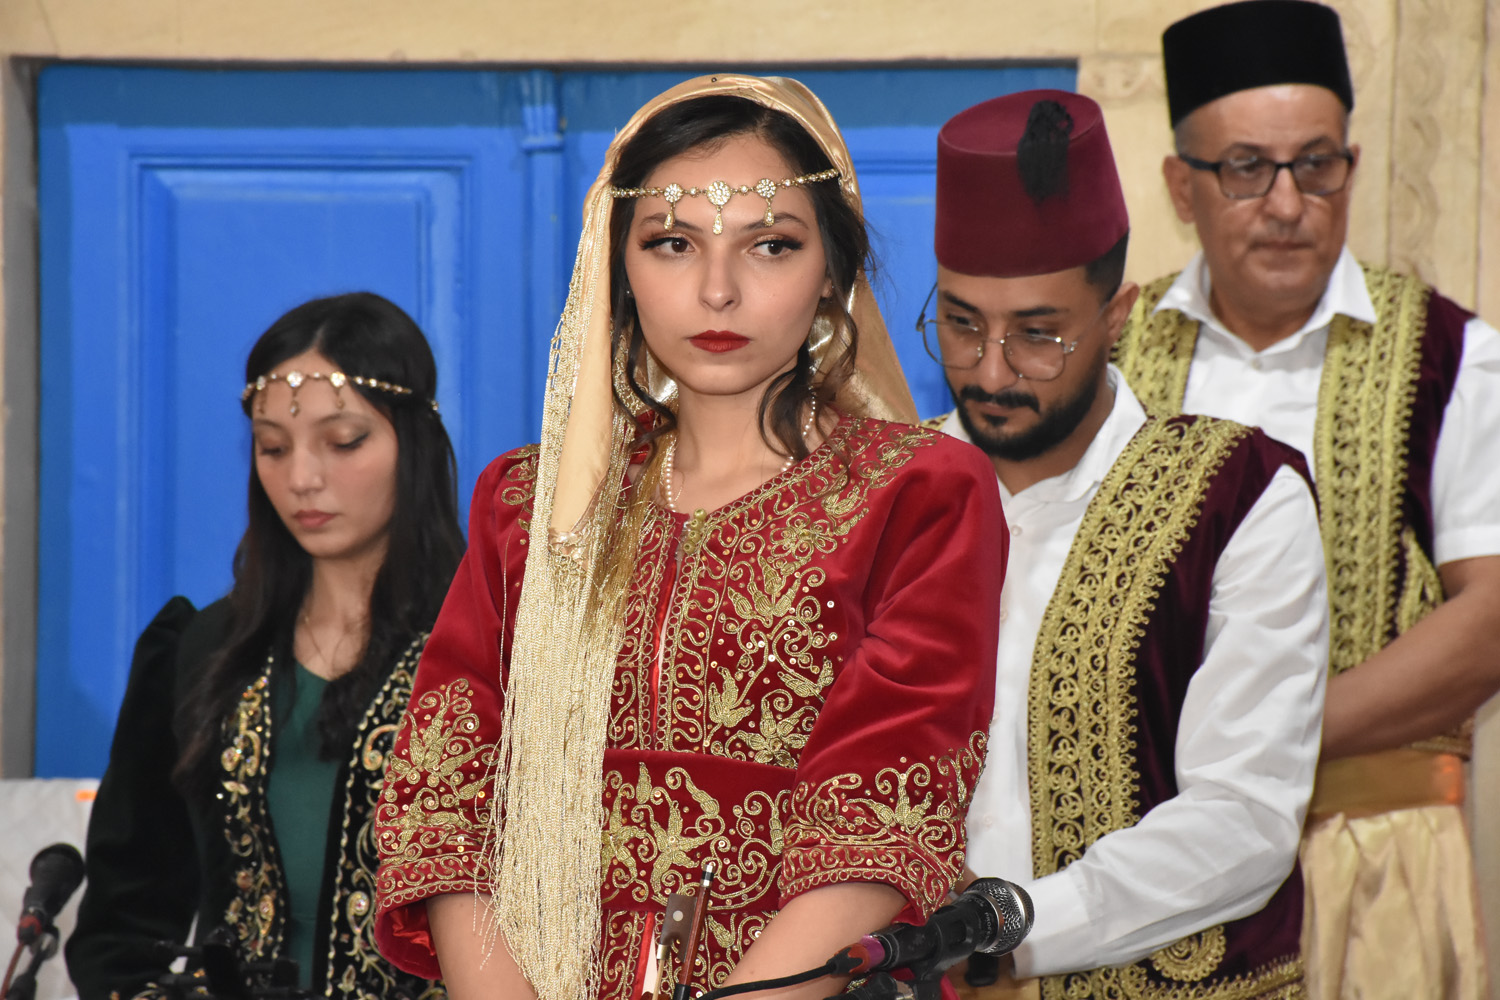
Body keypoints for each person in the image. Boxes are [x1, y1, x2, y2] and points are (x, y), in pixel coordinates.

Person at [372, 74, 1007, 1000]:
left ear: (833, 272)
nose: (718, 290)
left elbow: (880, 810)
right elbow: (445, 798)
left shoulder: (918, 494)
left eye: (771, 245)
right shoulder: (533, 509)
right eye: (672, 243)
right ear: (617, 269)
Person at [1114, 2, 1500, 996]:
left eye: (1316, 165)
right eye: (1247, 168)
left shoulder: (1454, 357)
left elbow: (1492, 619)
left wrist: (1258, 743)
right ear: (1182, 187)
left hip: (1374, 871)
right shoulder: (1111, 356)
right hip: (1148, 873)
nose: (1288, 203)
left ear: (1351, 168)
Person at [923, 90, 1329, 999]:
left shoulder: (1240, 498)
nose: (992, 369)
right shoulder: (882, 495)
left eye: (1038, 334)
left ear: (1117, 316)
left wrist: (1010, 930)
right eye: (961, 324)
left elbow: (1245, 817)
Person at [66, 292, 464, 1000]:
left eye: (344, 442)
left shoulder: (487, 654)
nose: (301, 478)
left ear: (414, 445)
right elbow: (123, 920)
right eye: (273, 447)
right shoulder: (203, 652)